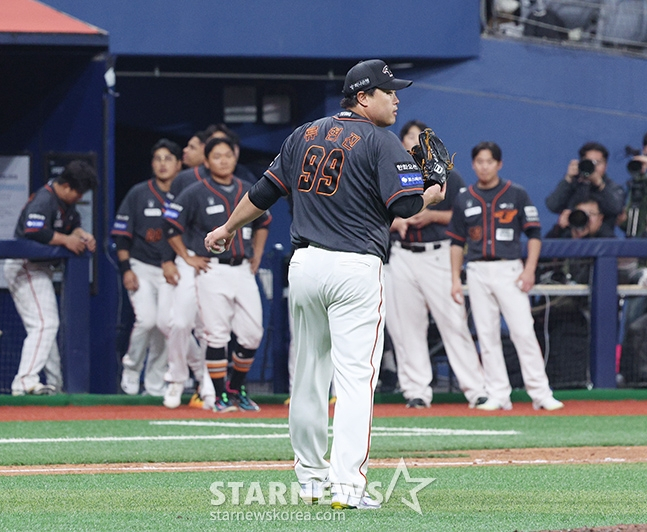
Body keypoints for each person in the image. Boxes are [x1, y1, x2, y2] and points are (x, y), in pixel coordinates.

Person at [204, 59, 446, 510]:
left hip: (307, 265)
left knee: (310, 375)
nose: (396, 98)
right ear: (362, 96)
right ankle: (348, 487)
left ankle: (312, 480)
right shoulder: (380, 140)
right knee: (355, 381)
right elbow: (407, 205)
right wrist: (433, 191)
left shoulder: (304, 133)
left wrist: (226, 228)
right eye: (388, 91)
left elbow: (263, 192)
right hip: (355, 268)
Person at [448, 141, 563, 411]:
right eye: (479, 161)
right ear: (473, 164)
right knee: (486, 335)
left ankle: (541, 393)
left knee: (523, 332)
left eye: (489, 161)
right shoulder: (465, 197)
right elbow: (455, 242)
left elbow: (534, 234)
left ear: (499, 164)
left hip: (510, 268)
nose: (484, 166)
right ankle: (498, 393)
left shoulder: (517, 194)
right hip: (476, 269)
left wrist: (530, 269)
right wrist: (455, 278)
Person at [385, 119, 488, 409]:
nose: (414, 142)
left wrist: (431, 216)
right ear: (401, 142)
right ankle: (416, 391)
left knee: (454, 322)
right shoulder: (392, 174)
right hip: (403, 254)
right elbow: (375, 213)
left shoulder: (446, 175)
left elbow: (465, 216)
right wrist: (396, 223)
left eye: (420, 138)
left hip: (437, 253)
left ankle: (476, 389)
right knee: (406, 327)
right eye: (409, 137)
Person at [164, 136, 271, 412]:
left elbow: (263, 222)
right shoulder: (195, 191)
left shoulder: (249, 189)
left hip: (242, 267)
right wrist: (188, 257)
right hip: (212, 268)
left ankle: (236, 386)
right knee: (216, 335)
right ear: (207, 161)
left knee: (252, 334)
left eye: (228, 155)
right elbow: (171, 226)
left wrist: (257, 254)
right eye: (217, 156)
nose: (223, 160)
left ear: (235, 157)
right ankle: (221, 395)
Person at [5, 160, 97, 396]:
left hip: (38, 269)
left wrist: (82, 235)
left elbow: (73, 226)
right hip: (25, 265)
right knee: (45, 324)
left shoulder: (65, 203)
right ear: (66, 185)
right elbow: (33, 230)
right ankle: (25, 381)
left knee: (44, 327)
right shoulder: (45, 198)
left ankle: (54, 385)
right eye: (78, 191)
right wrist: (66, 240)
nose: (79, 196)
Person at [111, 139, 182, 397]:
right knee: (146, 319)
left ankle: (154, 383)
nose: (162, 164)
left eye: (168, 159)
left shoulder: (185, 191)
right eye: (157, 159)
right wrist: (126, 269)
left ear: (178, 163)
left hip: (171, 269)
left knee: (165, 325)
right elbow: (121, 236)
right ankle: (131, 369)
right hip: (141, 265)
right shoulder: (139, 192)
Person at [545, 141, 625, 234]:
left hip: (602, 240)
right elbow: (552, 206)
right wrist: (568, 178)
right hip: (571, 236)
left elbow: (616, 208)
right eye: (589, 162)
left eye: (598, 163)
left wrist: (599, 184)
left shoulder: (612, 187)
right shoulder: (572, 184)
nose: (594, 167)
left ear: (606, 166)